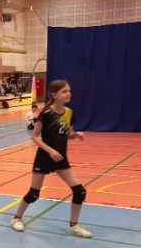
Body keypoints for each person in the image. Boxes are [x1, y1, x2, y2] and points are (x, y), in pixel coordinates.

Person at [10, 80, 92, 238]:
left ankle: (73, 225)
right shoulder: (46, 113)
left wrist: (76, 135)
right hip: (44, 157)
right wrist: (50, 150)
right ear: (54, 95)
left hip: (60, 158)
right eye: (64, 91)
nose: (68, 93)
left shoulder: (70, 112)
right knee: (33, 194)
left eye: (69, 91)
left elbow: (68, 133)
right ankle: (16, 218)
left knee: (80, 191)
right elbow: (35, 137)